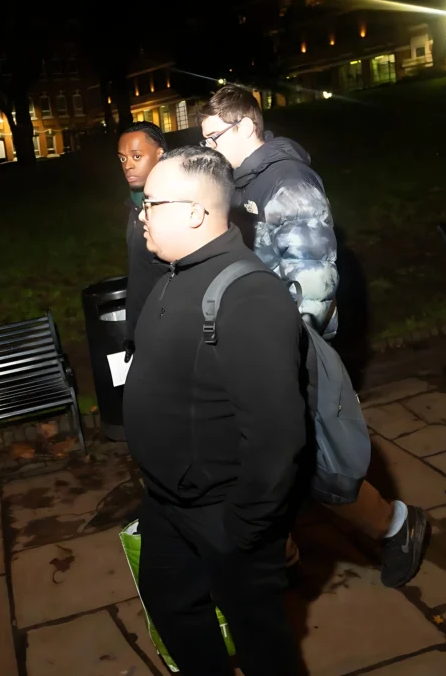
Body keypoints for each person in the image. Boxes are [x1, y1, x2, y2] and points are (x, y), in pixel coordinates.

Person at [198, 85, 428, 589]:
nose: (210, 149)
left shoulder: (288, 183)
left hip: (286, 347)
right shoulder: (242, 183)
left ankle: (395, 526)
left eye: (215, 136)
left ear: (245, 126)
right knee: (279, 465)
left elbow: (316, 285)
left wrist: (280, 353)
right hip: (258, 344)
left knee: (314, 467)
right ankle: (283, 563)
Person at [124, 145, 305, 676]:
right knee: (171, 604)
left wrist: (243, 528)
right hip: (167, 504)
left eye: (151, 203)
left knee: (262, 643)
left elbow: (276, 435)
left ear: (196, 213)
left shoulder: (248, 296)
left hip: (224, 513)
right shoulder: (174, 276)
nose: (140, 213)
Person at [117, 121, 169, 356]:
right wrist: (133, 331)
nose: (128, 165)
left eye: (136, 156)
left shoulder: (172, 208)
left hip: (169, 334)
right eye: (122, 159)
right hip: (145, 333)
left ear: (160, 154)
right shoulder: (135, 207)